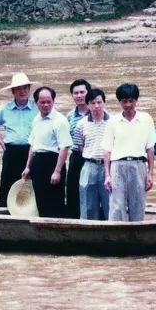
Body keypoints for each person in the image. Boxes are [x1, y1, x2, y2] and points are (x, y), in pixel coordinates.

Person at [101, 83, 156, 223]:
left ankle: (137, 237)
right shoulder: (113, 121)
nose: (128, 104)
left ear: (136, 101)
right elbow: (107, 150)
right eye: (124, 101)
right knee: (117, 206)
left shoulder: (146, 119)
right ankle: (117, 237)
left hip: (139, 165)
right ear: (119, 102)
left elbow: (150, 148)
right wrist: (107, 175)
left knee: (137, 204)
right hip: (117, 165)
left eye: (131, 100)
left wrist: (150, 173)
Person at [0, 72, 39, 207]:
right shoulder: (4, 109)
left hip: (31, 150)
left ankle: (30, 209)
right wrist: (1, 142)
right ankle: (6, 210)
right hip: (11, 151)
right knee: (8, 183)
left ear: (29, 90)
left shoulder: (37, 107)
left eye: (25, 88)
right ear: (13, 92)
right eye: (19, 89)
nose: (22, 92)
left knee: (31, 183)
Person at [20, 86, 71, 218]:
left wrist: (57, 171)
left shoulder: (60, 120)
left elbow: (64, 147)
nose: (46, 105)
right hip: (38, 162)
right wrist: (27, 166)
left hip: (53, 162)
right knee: (40, 199)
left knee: (55, 201)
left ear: (53, 101)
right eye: (42, 102)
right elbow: (33, 145)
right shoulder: (36, 119)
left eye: (49, 101)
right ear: (36, 103)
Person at [71, 88, 111, 220]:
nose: (97, 106)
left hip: (109, 167)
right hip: (89, 165)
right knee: (88, 205)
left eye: (99, 102)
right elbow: (80, 146)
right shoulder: (81, 125)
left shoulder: (113, 122)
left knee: (110, 204)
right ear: (88, 105)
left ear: (104, 103)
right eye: (93, 103)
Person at [64, 78, 91, 218]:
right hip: (75, 157)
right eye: (76, 93)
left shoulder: (97, 112)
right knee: (73, 190)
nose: (79, 96)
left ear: (88, 93)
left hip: (93, 158)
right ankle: (74, 219)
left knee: (91, 190)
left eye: (82, 92)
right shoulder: (68, 117)